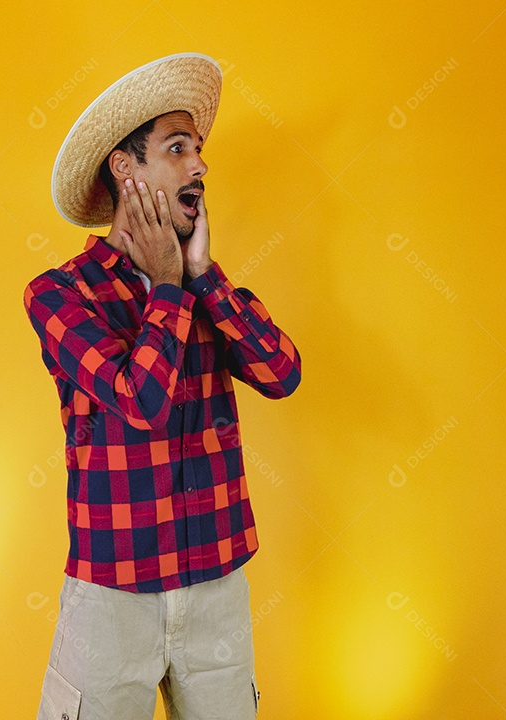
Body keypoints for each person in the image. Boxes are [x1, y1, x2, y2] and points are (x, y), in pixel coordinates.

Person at [23, 52, 302, 720]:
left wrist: (201, 276)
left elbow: (281, 374)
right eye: (177, 148)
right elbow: (140, 403)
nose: (199, 167)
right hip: (113, 591)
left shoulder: (212, 289)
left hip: (217, 586)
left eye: (199, 150)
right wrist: (170, 287)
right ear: (125, 168)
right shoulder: (61, 295)